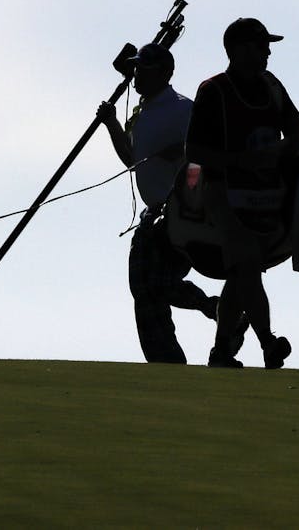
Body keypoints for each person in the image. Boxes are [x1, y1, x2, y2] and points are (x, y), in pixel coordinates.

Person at [186, 18, 299, 369]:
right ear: (238, 49)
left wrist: (278, 153)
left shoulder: (271, 86)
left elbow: (298, 131)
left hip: (266, 193)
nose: (268, 52)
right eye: (260, 45)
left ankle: (222, 350)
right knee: (249, 262)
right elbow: (194, 151)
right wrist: (239, 161)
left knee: (241, 273)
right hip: (223, 191)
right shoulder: (213, 91)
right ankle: (268, 343)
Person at [99, 43, 219, 364]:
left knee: (153, 283)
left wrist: (182, 150)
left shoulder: (183, 109)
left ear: (163, 74)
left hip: (183, 212)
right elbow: (132, 158)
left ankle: (214, 309)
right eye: (136, 68)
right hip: (153, 212)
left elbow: (209, 149)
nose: (137, 75)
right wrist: (111, 122)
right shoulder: (142, 114)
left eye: (144, 69)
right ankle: (169, 358)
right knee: (144, 286)